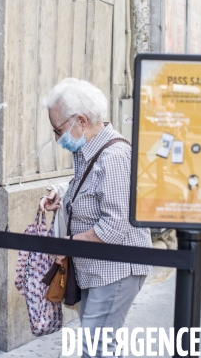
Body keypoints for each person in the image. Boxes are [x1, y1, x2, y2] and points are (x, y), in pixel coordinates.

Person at [41, 78, 152, 357]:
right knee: (100, 345)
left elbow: (115, 226)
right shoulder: (89, 148)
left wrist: (68, 243)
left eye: (58, 130)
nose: (57, 138)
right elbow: (89, 186)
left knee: (97, 347)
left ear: (81, 120)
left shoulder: (114, 156)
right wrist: (61, 194)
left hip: (115, 270)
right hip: (96, 268)